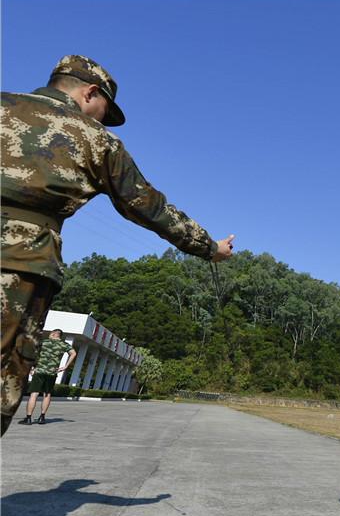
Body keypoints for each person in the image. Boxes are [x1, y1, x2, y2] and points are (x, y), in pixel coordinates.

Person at [1, 55, 235, 435]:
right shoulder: (96, 139)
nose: (99, 120)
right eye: (102, 111)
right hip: (18, 262)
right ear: (90, 92)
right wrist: (210, 248)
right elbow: (148, 207)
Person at [18, 329, 76, 426]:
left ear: (53, 334)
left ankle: (28, 418)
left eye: (50, 334)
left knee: (34, 394)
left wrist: (31, 366)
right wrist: (66, 366)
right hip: (52, 372)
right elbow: (73, 353)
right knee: (47, 394)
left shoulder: (44, 342)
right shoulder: (64, 344)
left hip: (40, 371)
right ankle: (42, 417)